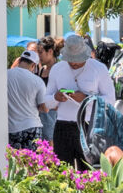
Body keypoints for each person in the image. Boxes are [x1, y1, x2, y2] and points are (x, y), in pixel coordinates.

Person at [46, 34, 116, 166]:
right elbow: (47, 100)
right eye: (70, 59)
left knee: (89, 171)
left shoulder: (99, 69)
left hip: (89, 126)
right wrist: (56, 97)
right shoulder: (57, 69)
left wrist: (86, 99)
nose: (73, 63)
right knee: (61, 172)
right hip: (63, 125)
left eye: (77, 60)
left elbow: (110, 100)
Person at [6, 53, 52, 150]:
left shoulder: (6, 75)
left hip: (11, 128)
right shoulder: (37, 81)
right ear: (33, 65)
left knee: (14, 163)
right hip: (32, 127)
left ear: (19, 61)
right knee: (32, 162)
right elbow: (45, 108)